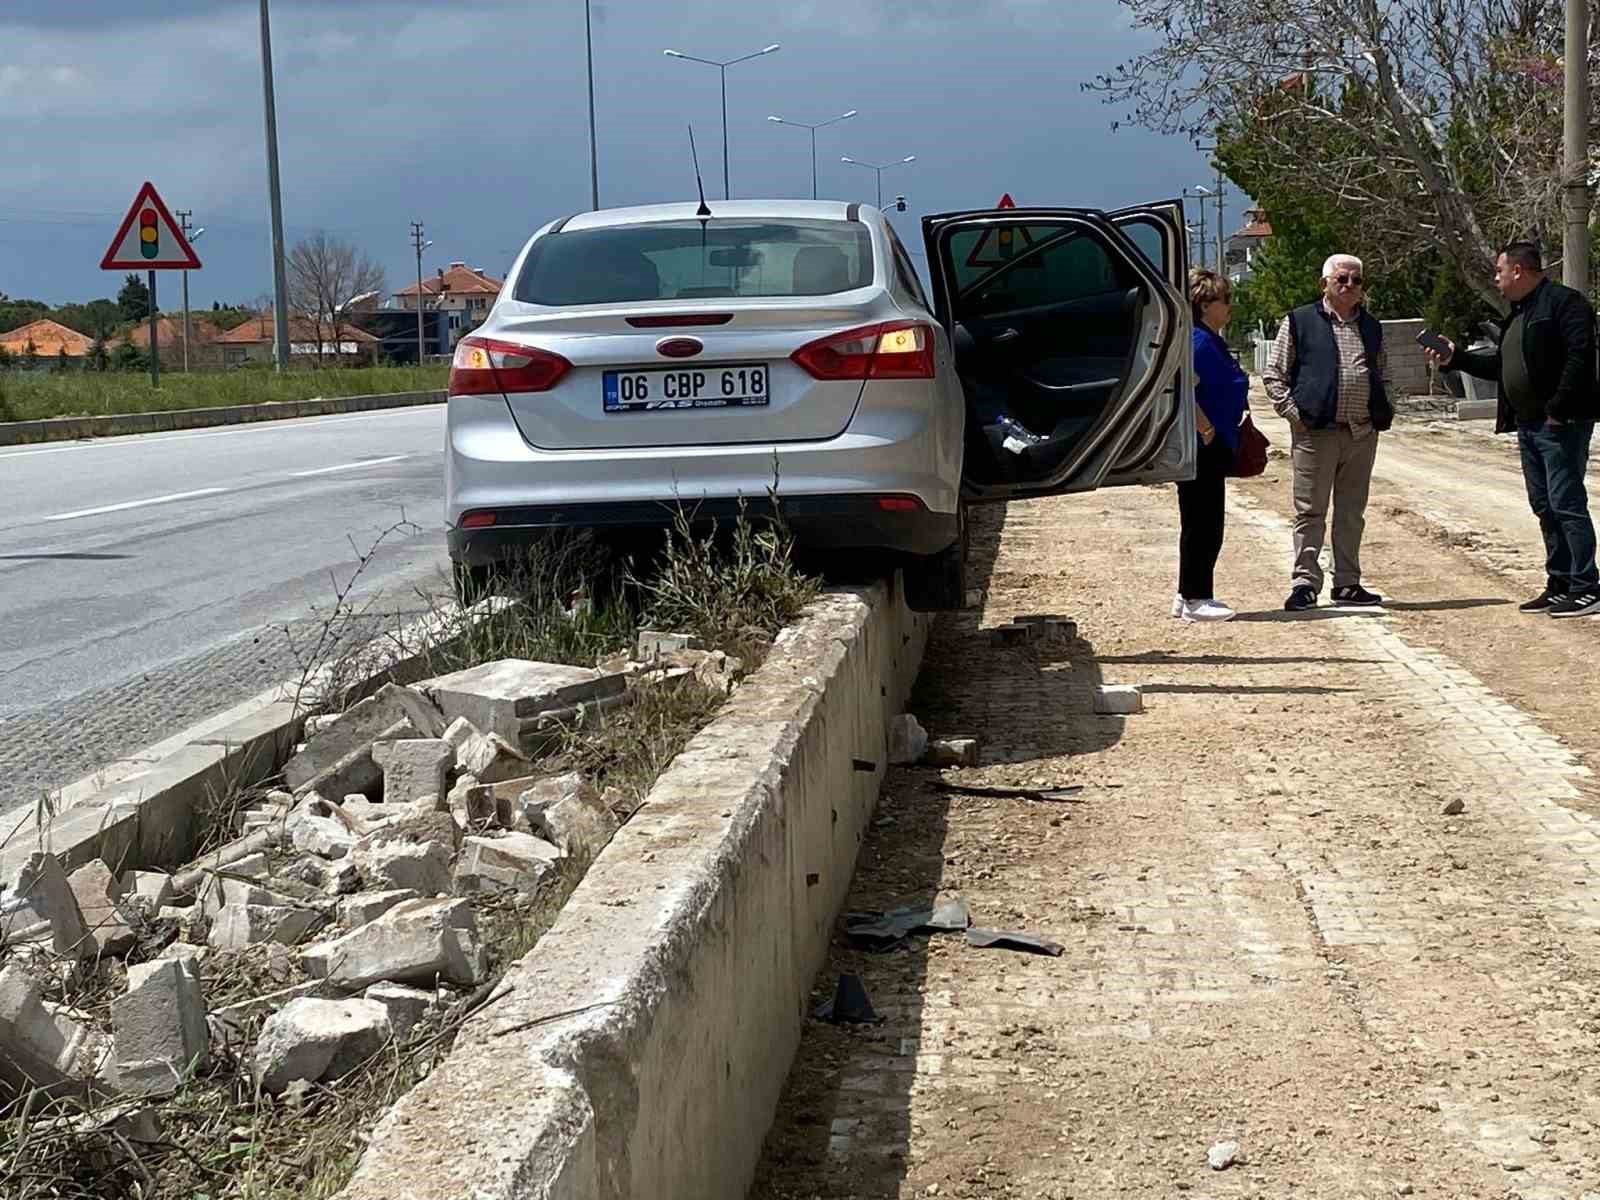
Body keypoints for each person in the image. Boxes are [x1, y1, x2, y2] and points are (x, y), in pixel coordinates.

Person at [1424, 242, 1600, 617]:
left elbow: (1581, 357)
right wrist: (1457, 359)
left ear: (1518, 270)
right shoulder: (1517, 314)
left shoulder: (1564, 304)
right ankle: (1560, 583)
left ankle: (1587, 586)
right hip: (1529, 426)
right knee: (1545, 506)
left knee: (1567, 504)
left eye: (1499, 271)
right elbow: (1502, 369)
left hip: (1561, 424)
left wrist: (1558, 408)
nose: (1496, 279)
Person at [1263, 253, 1393, 611]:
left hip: (1361, 434)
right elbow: (1274, 375)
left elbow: (1382, 374)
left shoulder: (1371, 326)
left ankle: (1348, 583)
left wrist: (1382, 410)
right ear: (1325, 284)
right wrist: (1295, 415)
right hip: (1315, 434)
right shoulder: (1299, 321)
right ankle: (1305, 584)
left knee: (1351, 512)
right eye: (1342, 279)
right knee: (1311, 512)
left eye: (1356, 280)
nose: (1349, 285)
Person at [1173, 269, 1247, 622]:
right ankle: (1196, 597)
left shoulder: (1210, 339)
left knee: (1200, 520)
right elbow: (1182, 388)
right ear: (1204, 305)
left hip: (1214, 440)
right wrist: (1205, 429)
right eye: (1224, 300)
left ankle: (1186, 593)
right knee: (1204, 523)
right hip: (1204, 443)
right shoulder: (1198, 343)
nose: (1230, 306)